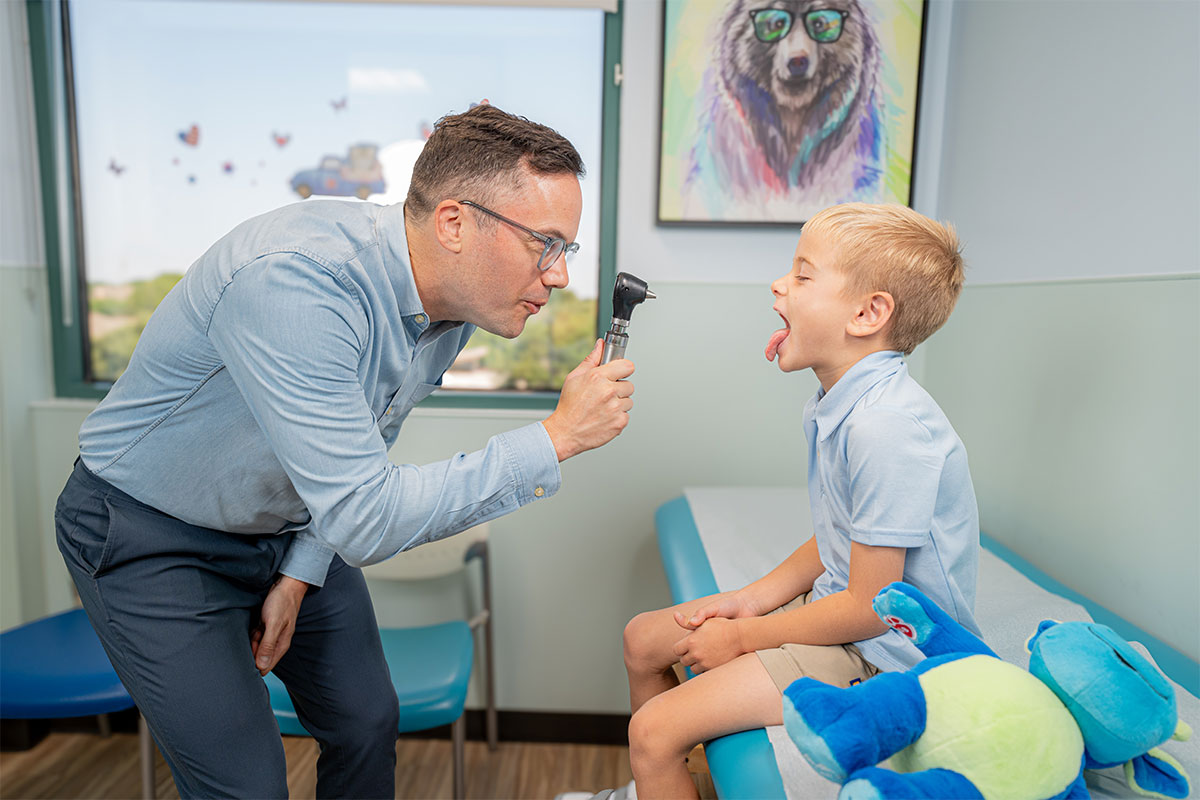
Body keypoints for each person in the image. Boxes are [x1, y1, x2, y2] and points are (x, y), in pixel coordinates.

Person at [55, 104, 635, 799]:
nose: (559, 275)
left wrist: (298, 569)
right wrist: (556, 437)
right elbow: (365, 515)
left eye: (564, 250)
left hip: (289, 524)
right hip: (148, 531)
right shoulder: (298, 282)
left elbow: (368, 437)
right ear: (453, 222)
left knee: (365, 719)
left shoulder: (451, 304)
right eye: (546, 243)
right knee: (247, 786)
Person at [620, 203, 979, 799]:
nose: (779, 285)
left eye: (803, 275)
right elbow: (843, 533)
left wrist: (742, 638)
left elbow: (872, 607)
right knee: (643, 639)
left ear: (867, 313)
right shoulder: (839, 401)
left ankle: (662, 770)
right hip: (845, 615)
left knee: (653, 732)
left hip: (887, 654)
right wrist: (749, 601)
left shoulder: (887, 428)